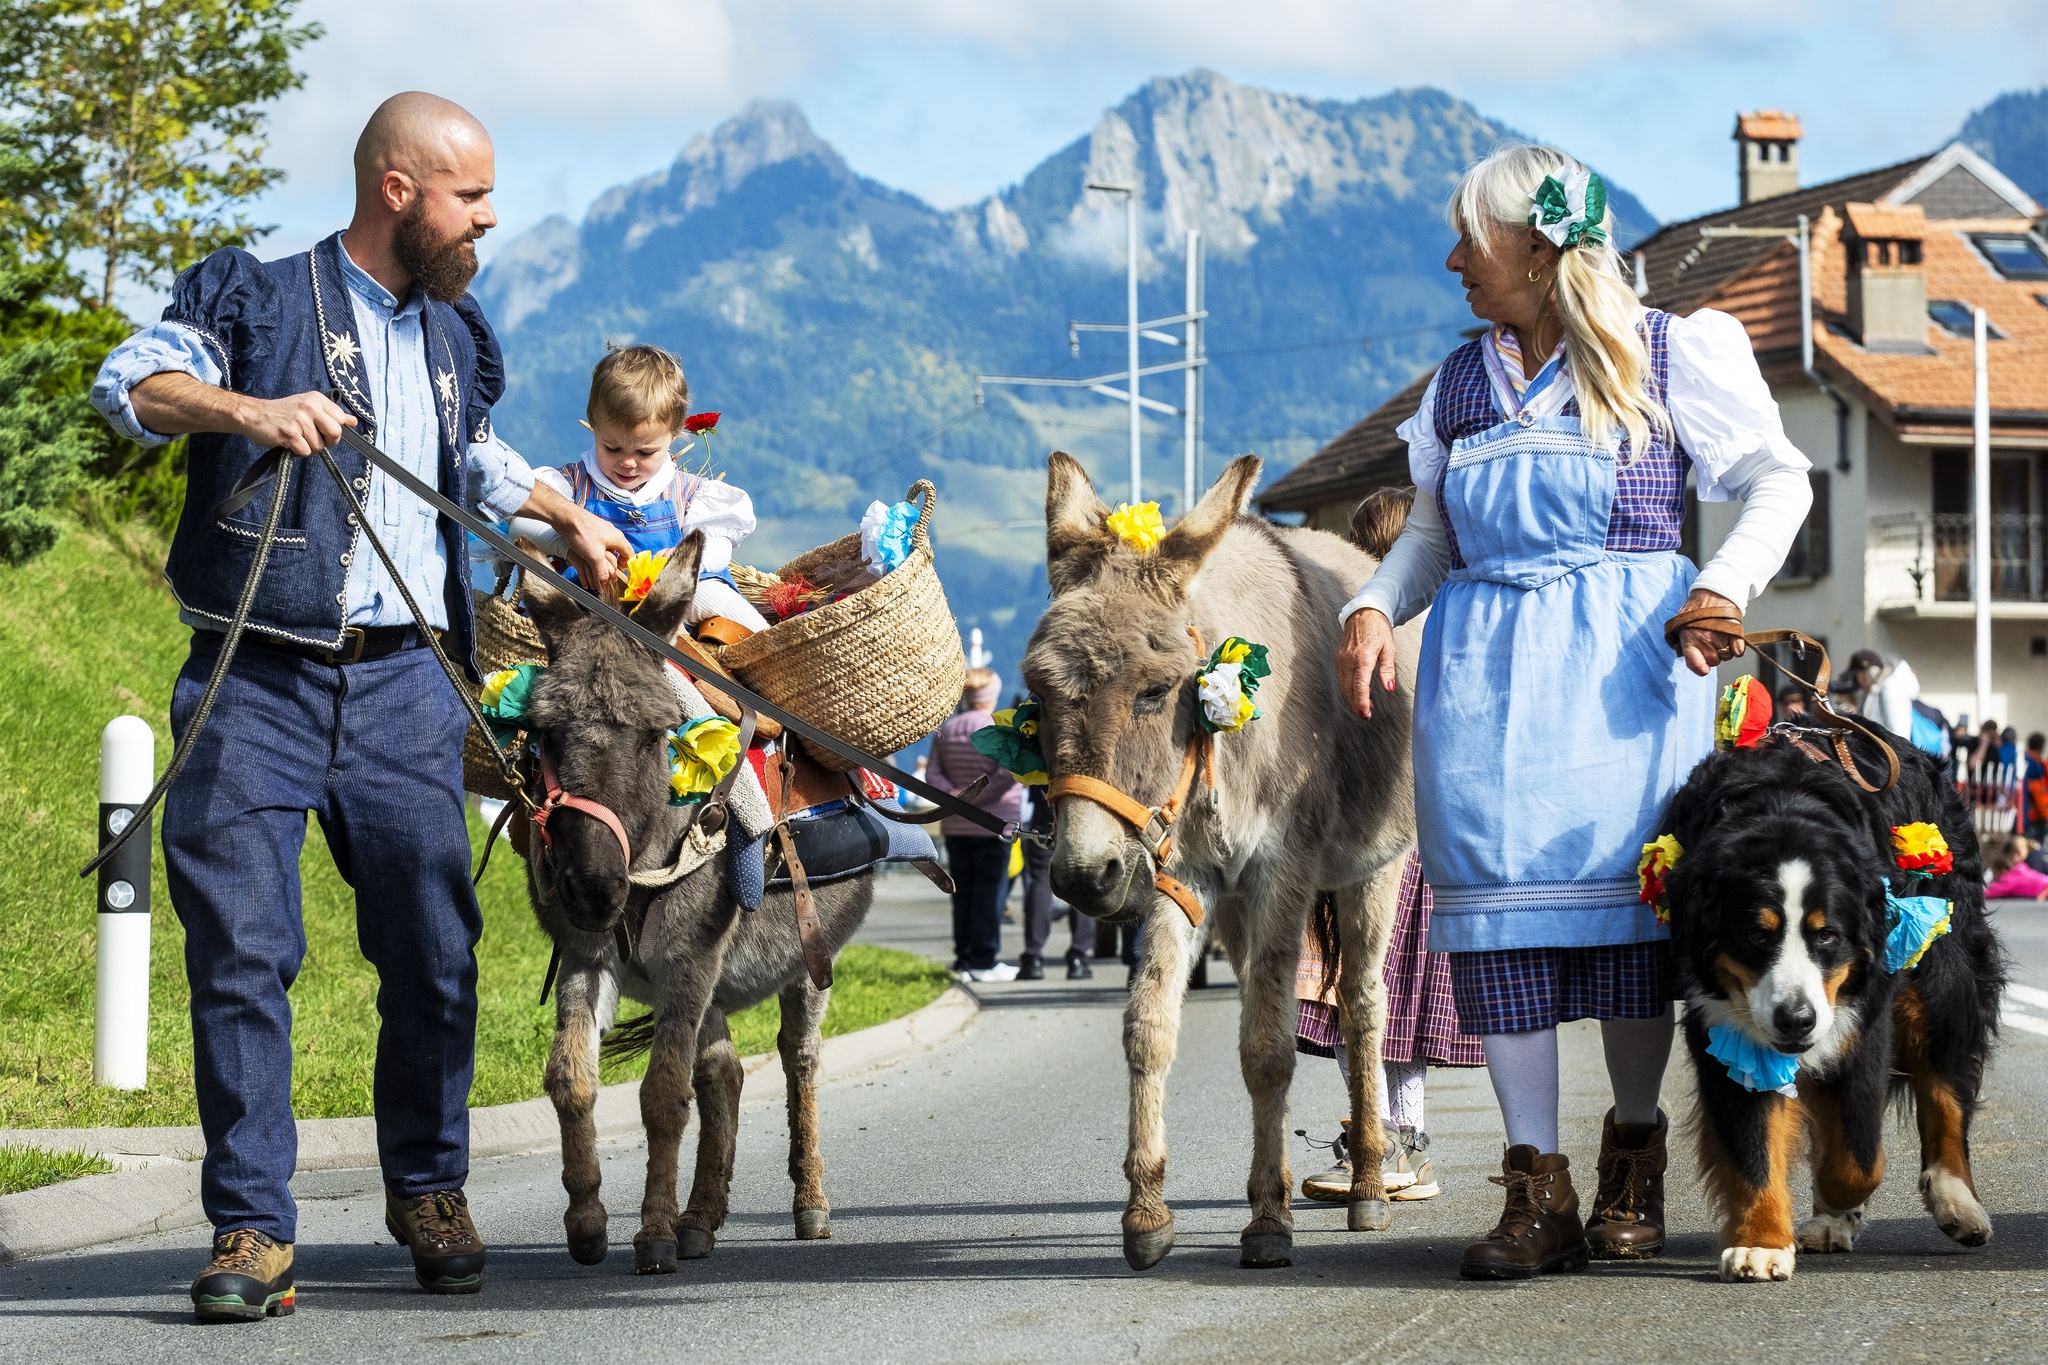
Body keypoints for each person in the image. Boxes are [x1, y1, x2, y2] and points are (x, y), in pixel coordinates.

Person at [87, 93, 631, 1319]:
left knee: (435, 953)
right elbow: (131, 384)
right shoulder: (256, 297)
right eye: (472, 196)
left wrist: (566, 511)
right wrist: (249, 411)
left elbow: (470, 457)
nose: (488, 217)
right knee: (242, 953)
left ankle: (428, 1188)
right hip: (254, 676)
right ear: (400, 190)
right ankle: (250, 1230)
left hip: (403, 684)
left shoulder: (452, 330)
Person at [1335, 142, 1812, 1279]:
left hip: (1623, 676)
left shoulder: (1663, 354)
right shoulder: (1458, 384)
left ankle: (1632, 1160)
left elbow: (1777, 479)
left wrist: (1719, 586)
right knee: (1499, 924)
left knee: (1630, 924)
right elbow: (1429, 539)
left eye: (1472, 241)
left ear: (1540, 250)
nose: (1453, 260)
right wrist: (1366, 604)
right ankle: (1532, 1187)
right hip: (1486, 677)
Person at [507, 344, 767, 632]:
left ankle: (773, 654)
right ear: (594, 424)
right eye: (612, 447)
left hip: (679, 597)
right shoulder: (570, 485)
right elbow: (521, 522)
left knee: (723, 603)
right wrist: (568, 546)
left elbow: (720, 546)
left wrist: (686, 560)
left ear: (676, 431)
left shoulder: (690, 494)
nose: (628, 463)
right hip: (597, 604)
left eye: (645, 453)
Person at [1297, 850, 1484, 1204]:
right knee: (1365, 980)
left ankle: (1381, 1141)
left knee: (1350, 975)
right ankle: (1408, 1148)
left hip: (1369, 830)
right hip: (1396, 827)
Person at [925, 668, 1025, 982]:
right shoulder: (1000, 730)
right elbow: (1008, 773)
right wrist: (977, 798)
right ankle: (984, 960)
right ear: (992, 695)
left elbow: (932, 775)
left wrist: (958, 798)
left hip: (956, 824)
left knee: (962, 894)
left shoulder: (947, 729)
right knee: (991, 894)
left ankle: (963, 958)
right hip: (995, 823)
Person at [1017, 784, 1095, 979]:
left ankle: (1033, 958)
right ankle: (1078, 957)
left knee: (1039, 879)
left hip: (1047, 798)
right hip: (1085, 799)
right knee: (1083, 876)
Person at [2024, 733, 2047, 840]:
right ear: (2041, 747)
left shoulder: (2025, 758)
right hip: (2037, 813)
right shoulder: (2036, 763)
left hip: (2029, 813)